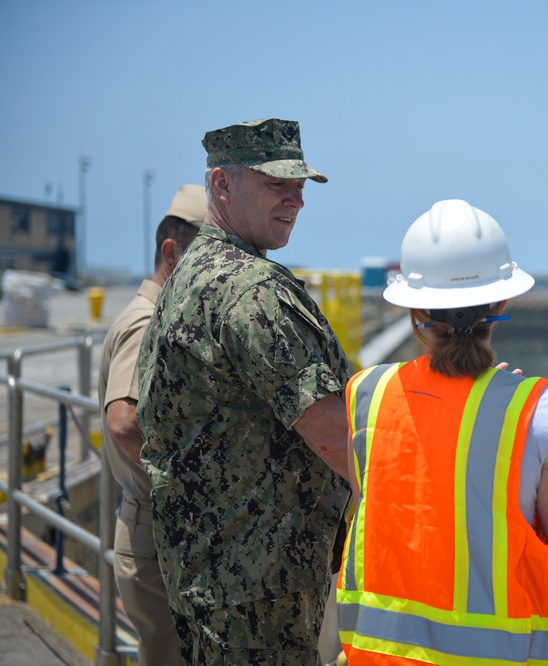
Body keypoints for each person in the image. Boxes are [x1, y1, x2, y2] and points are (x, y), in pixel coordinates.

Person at [336, 199, 548, 665]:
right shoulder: (535, 408)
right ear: (502, 303)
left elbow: (396, 505)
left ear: (413, 310)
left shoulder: (365, 393)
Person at [136, 118, 353, 664]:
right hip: (260, 595)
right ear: (222, 186)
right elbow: (335, 438)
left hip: (212, 578)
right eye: (277, 184)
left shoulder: (188, 276)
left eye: (300, 186)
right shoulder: (250, 290)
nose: (296, 200)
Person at [98, 184, 206, 665]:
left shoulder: (160, 315)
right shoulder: (147, 321)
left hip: (157, 529)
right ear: (171, 251)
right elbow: (122, 422)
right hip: (156, 530)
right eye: (203, 257)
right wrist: (185, 484)